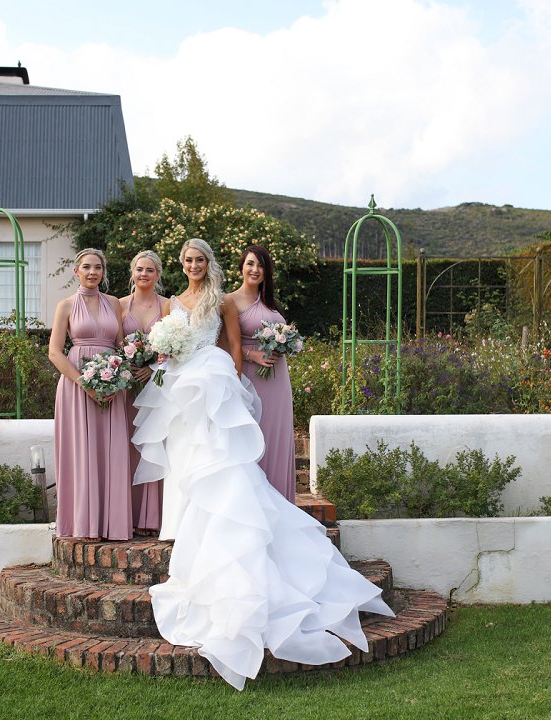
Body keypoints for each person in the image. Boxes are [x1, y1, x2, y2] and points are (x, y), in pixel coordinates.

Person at [132, 238, 394, 690]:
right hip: (180, 384)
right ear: (181, 264)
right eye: (188, 260)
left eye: (199, 259)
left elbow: (233, 348)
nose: (193, 265)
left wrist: (229, 385)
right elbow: (168, 347)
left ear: (208, 263)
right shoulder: (172, 302)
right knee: (186, 456)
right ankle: (180, 521)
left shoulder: (222, 301)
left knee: (218, 462)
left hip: (212, 383)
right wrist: (167, 356)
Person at [48, 248, 132, 540]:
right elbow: (55, 353)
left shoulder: (114, 303)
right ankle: (84, 524)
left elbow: (120, 346)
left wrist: (119, 378)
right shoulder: (66, 305)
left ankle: (112, 524)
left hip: (112, 386)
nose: (93, 272)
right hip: (76, 387)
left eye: (98, 267)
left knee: (111, 450)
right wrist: (84, 383)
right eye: (86, 267)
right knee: (82, 451)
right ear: (77, 271)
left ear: (103, 272)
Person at [228, 245, 296, 502]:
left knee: (277, 435)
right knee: (254, 435)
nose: (255, 269)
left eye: (260, 265)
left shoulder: (270, 303)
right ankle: (254, 504)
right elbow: (221, 343)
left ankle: (280, 502)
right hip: (249, 377)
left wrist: (288, 341)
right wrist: (251, 355)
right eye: (250, 264)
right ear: (241, 267)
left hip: (278, 380)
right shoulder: (230, 301)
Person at [119, 250, 170, 535]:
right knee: (127, 445)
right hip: (127, 387)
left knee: (153, 444)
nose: (144, 274)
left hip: (156, 385)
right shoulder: (119, 305)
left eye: (150, 270)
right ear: (132, 272)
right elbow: (113, 344)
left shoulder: (167, 306)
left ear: (158, 274)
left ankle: (152, 517)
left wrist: (152, 368)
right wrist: (126, 367)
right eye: (139, 269)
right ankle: (127, 514)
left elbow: (175, 347)